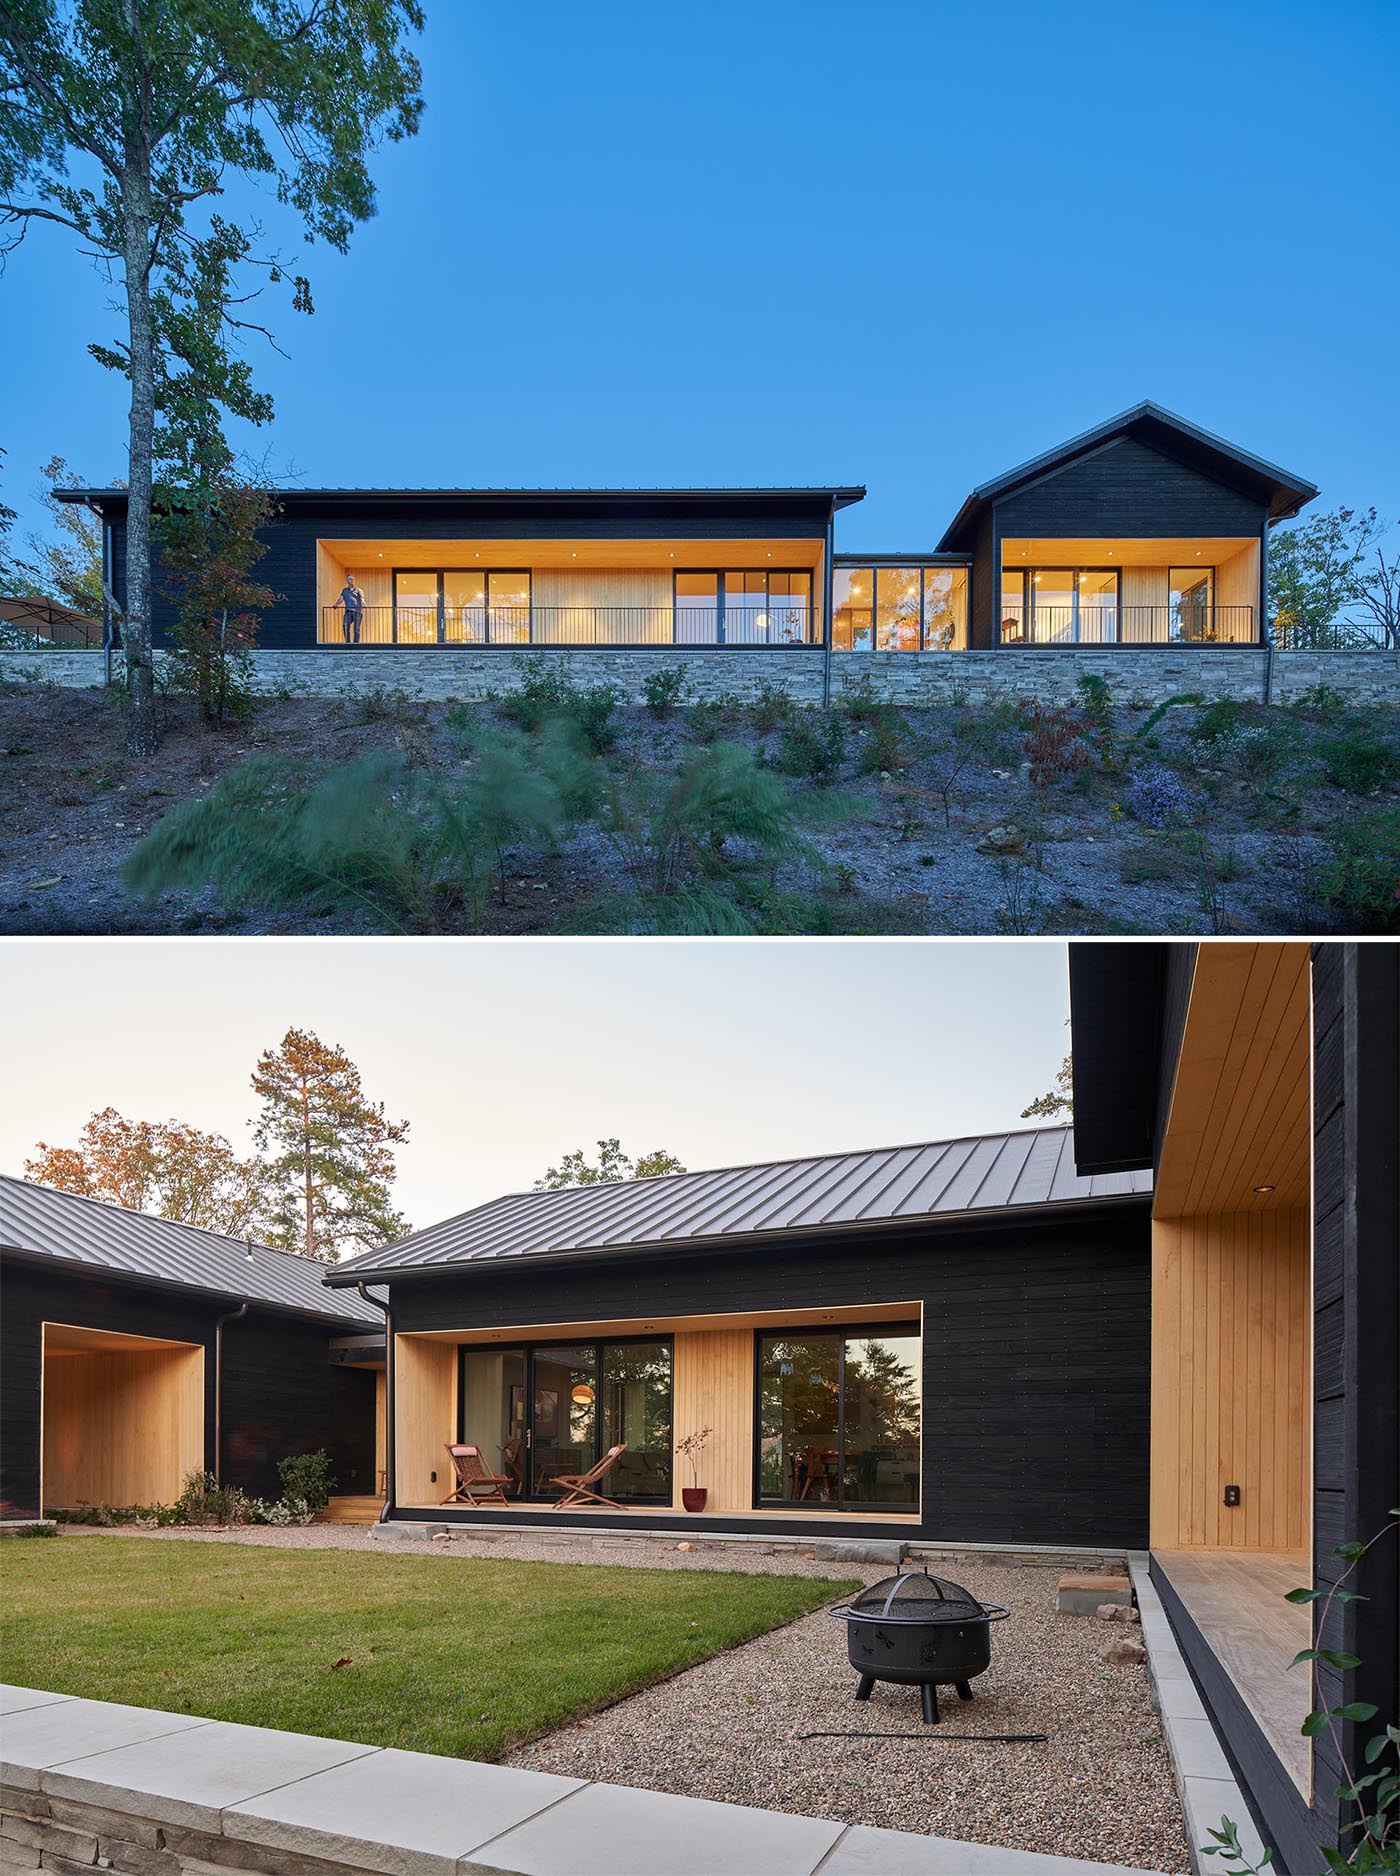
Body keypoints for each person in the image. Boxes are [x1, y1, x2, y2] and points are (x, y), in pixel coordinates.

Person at [339, 575, 364, 644]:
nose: (352, 580)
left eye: (353, 579)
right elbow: (341, 598)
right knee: (345, 625)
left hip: (357, 612)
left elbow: (362, 599)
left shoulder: (358, 590)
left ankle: (356, 643)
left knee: (356, 628)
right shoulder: (345, 590)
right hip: (348, 611)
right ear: (347, 580)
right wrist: (336, 605)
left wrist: (363, 604)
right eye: (350, 579)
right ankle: (348, 642)